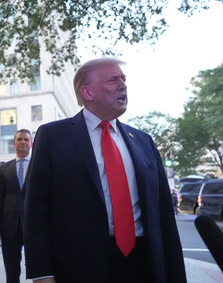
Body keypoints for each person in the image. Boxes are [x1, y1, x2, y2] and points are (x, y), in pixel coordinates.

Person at [23, 58, 186, 283]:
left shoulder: (143, 141)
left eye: (123, 79)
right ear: (87, 92)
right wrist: (41, 273)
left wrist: (174, 272)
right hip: (79, 266)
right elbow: (35, 209)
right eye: (113, 80)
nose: (123, 85)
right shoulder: (53, 136)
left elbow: (163, 214)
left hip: (142, 264)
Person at [0, 129, 32, 283]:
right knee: (11, 270)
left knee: (39, 269)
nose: (23, 142)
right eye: (19, 139)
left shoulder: (40, 165)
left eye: (26, 140)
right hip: (9, 227)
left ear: (31, 143)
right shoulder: (5, 168)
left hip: (34, 226)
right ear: (14, 143)